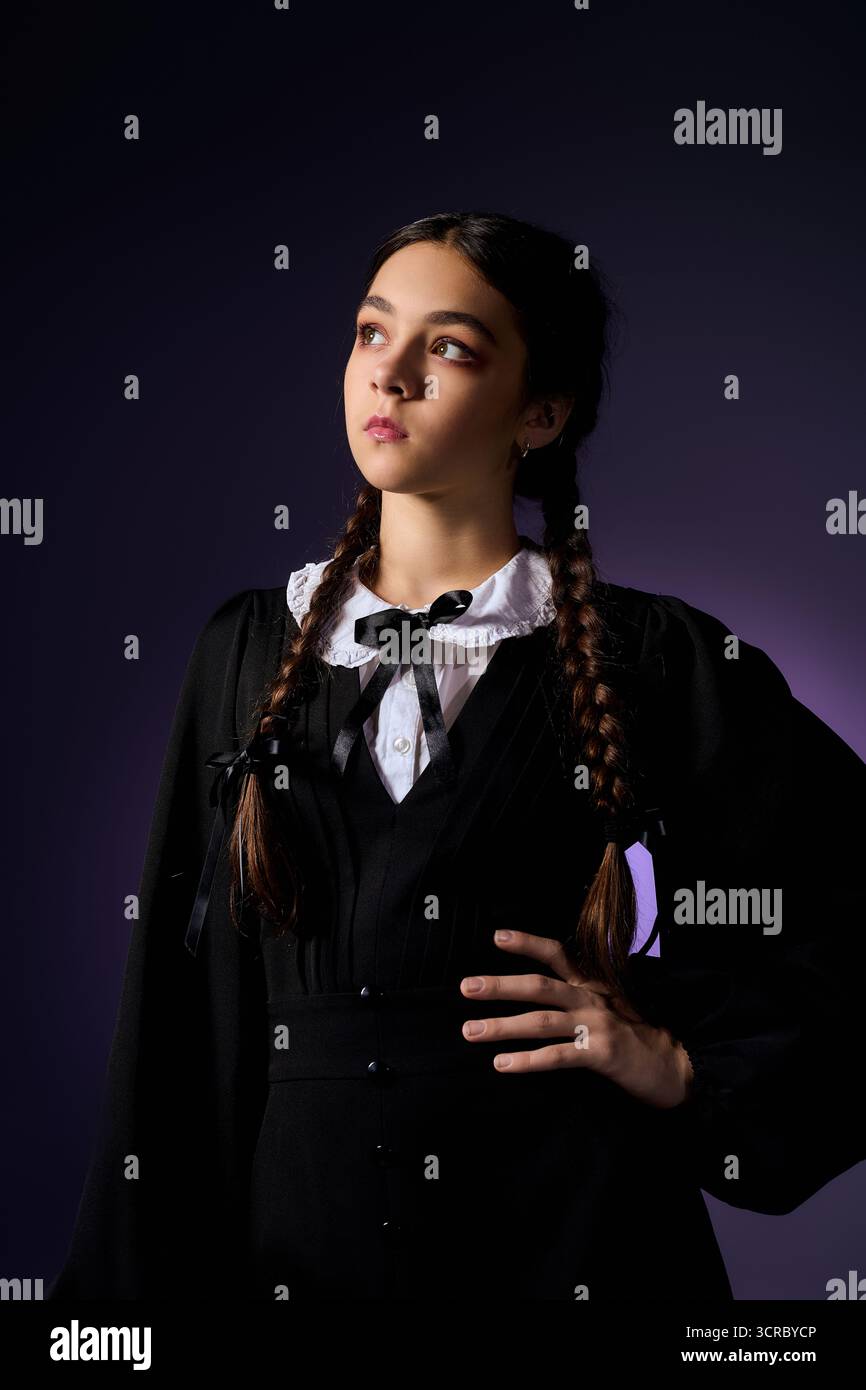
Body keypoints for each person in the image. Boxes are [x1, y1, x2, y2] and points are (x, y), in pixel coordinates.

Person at [49, 210, 866, 1302]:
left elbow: (839, 895)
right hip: (298, 1248)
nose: (387, 375)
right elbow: (177, 1023)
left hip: (574, 1242)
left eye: (447, 347)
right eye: (368, 333)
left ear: (541, 411)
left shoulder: (652, 655)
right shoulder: (245, 648)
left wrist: (678, 1062)